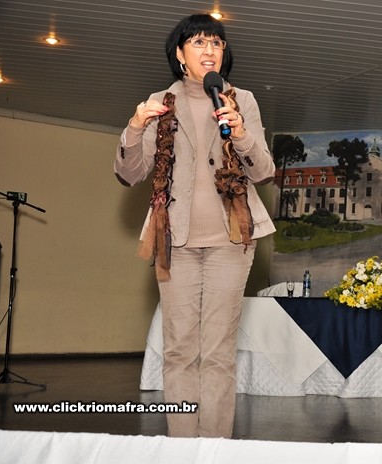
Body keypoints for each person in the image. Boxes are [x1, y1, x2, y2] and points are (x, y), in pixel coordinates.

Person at [114, 14, 275, 438]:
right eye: (200, 42)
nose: (210, 50)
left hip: (232, 240)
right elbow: (131, 174)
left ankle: (215, 449)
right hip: (174, 241)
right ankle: (182, 448)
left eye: (217, 43)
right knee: (179, 350)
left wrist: (241, 133)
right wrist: (134, 128)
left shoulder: (241, 100)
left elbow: (263, 172)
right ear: (180, 54)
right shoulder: (159, 102)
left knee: (218, 352)